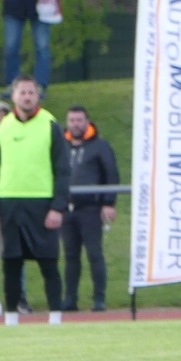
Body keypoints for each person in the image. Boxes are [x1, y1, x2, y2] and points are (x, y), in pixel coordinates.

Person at [0, 77, 68, 325]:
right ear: (14, 96)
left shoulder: (50, 125)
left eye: (31, 92)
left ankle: (55, 316)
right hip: (9, 202)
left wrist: (58, 206)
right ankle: (11, 317)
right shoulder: (3, 127)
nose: (27, 97)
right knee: (11, 261)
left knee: (48, 261)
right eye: (22, 92)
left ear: (37, 96)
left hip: (41, 201)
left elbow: (62, 169)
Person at [60, 104, 119, 312]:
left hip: (90, 208)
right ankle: (70, 299)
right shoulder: (61, 145)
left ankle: (99, 299)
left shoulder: (100, 145)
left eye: (79, 120)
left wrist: (108, 203)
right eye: (72, 120)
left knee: (94, 254)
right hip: (67, 209)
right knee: (70, 256)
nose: (76, 124)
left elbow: (111, 174)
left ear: (87, 122)